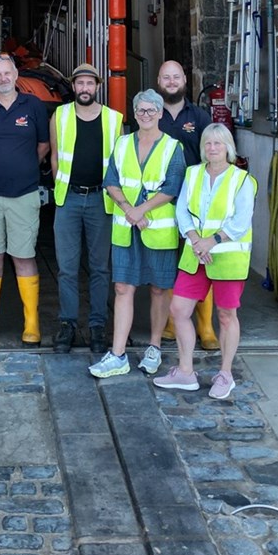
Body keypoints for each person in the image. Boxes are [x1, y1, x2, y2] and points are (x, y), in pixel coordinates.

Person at [154, 122, 257, 400]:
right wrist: (194, 240)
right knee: (179, 310)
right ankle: (186, 371)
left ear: (228, 148)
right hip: (195, 254)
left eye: (218, 143)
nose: (212, 148)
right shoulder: (193, 173)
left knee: (226, 316)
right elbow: (183, 210)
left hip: (227, 257)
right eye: (208, 143)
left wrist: (211, 241)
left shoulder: (242, 180)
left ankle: (225, 373)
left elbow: (241, 221)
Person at [88, 88, 185, 381]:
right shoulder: (122, 143)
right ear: (135, 113)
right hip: (127, 229)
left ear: (160, 113)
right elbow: (111, 181)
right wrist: (130, 209)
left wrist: (140, 210)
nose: (146, 115)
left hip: (157, 231)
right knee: (122, 288)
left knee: (159, 288)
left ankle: (154, 346)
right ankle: (118, 354)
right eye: (141, 110)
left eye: (151, 110)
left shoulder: (172, 147)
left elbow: (172, 186)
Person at [0, 54, 51, 346]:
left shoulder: (34, 106)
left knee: (24, 256)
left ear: (16, 75)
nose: (2, 78)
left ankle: (32, 323)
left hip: (25, 193)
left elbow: (44, 144)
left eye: (7, 73)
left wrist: (24, 166)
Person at [49, 66, 122, 358]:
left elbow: (118, 162)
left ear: (97, 87)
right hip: (68, 198)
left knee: (100, 267)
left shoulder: (114, 119)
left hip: (100, 200)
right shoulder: (60, 115)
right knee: (66, 267)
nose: (84, 88)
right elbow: (55, 155)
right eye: (79, 82)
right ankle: (67, 323)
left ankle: (97, 326)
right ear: (74, 86)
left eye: (89, 83)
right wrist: (60, 187)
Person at [157, 59, 220, 351]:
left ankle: (206, 327)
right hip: (160, 203)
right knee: (168, 264)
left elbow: (214, 155)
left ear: (185, 80)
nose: (171, 82)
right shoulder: (150, 114)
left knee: (200, 261)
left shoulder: (201, 116)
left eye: (176, 77)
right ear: (159, 81)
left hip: (196, 203)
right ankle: (171, 322)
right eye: (166, 77)